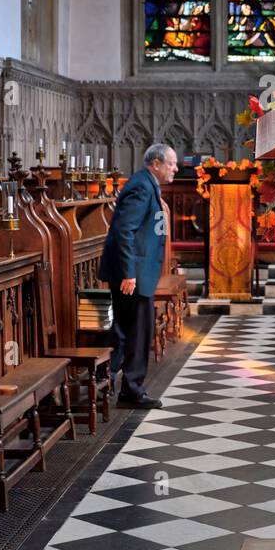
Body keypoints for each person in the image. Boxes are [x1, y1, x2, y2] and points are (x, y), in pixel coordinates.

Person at [99, 143, 178, 408]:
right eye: (171, 163)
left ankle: (116, 386)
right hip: (132, 275)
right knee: (135, 333)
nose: (175, 169)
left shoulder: (146, 184)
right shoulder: (141, 186)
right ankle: (129, 390)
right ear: (155, 163)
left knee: (128, 332)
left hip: (137, 272)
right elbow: (124, 231)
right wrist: (129, 273)